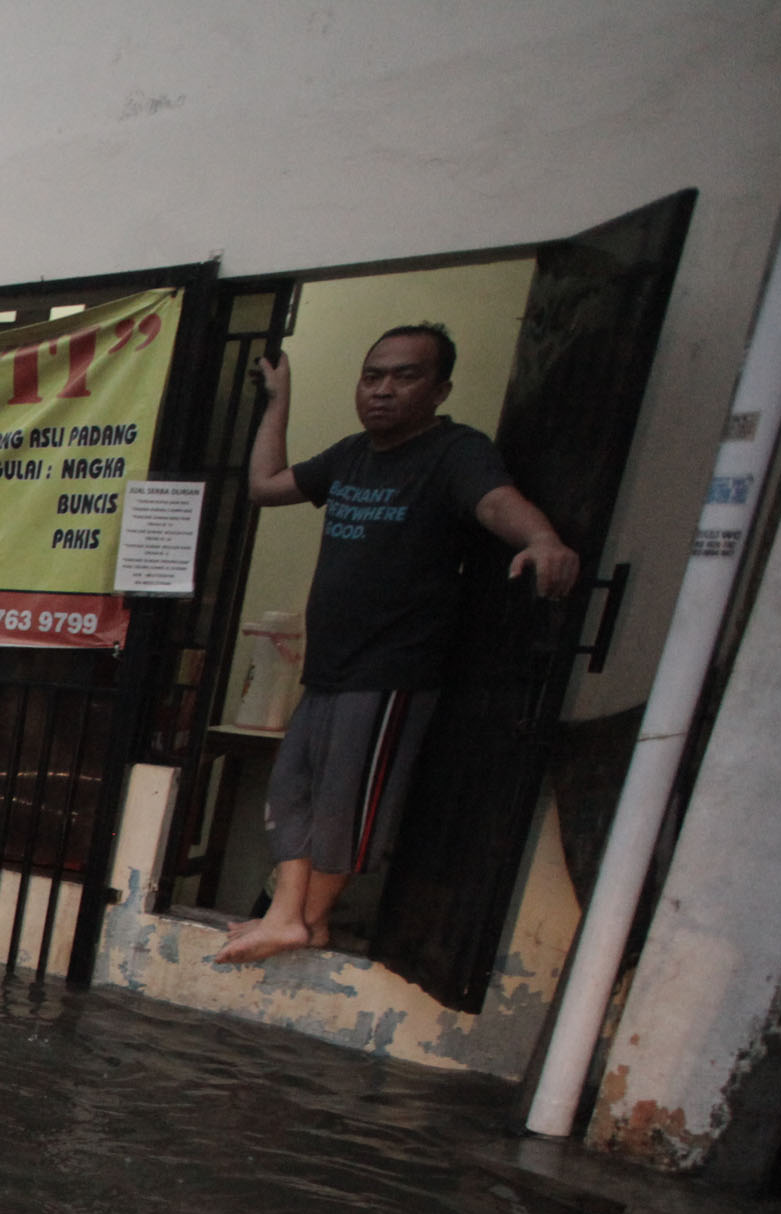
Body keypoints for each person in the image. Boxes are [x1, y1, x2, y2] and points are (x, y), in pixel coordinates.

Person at [216, 323, 578, 965]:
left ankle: (306, 918)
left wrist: (542, 540)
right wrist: (280, 400)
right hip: (329, 667)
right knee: (291, 792)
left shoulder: (454, 453)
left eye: (404, 376)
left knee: (343, 809)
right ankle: (289, 917)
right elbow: (264, 485)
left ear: (439, 388)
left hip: (390, 671)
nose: (382, 389)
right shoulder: (352, 455)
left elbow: (497, 505)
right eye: (372, 375)